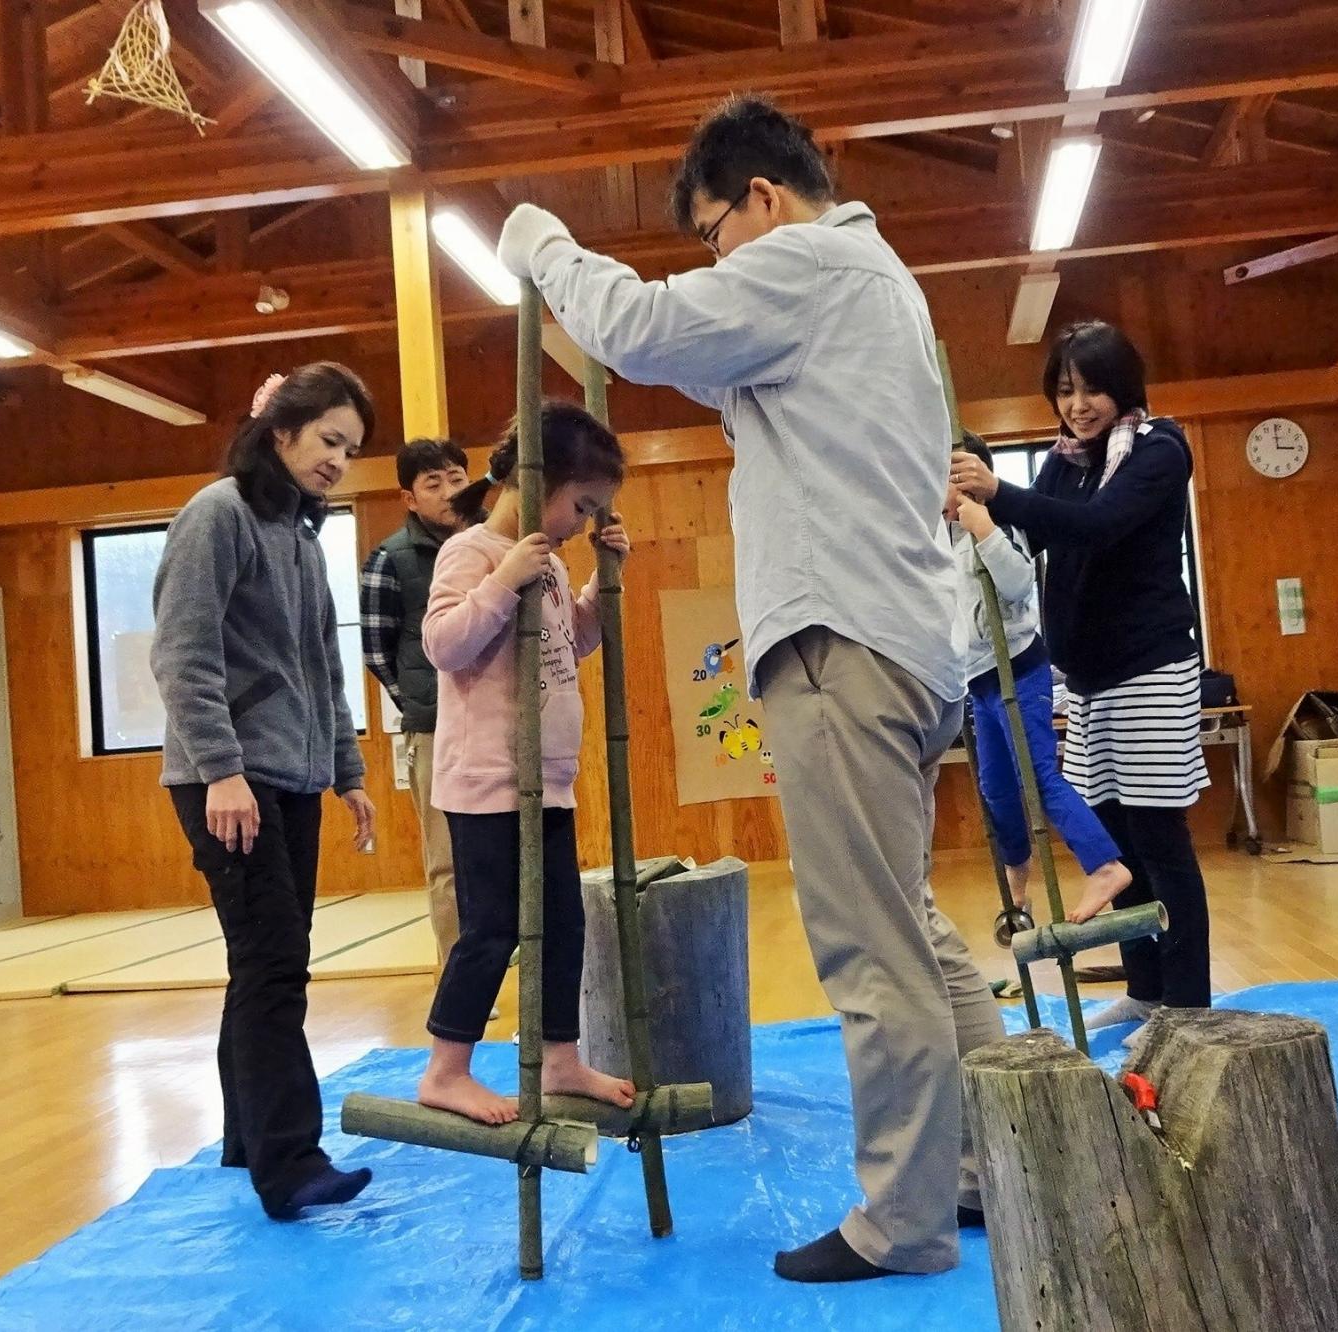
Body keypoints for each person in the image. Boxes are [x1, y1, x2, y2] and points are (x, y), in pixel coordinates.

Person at [496, 94, 1005, 1283]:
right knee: (914, 934)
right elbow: (708, 372)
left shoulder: (813, 261)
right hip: (898, 643)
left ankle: (906, 1222)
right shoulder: (879, 286)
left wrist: (538, 244)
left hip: (844, 645)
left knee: (872, 954)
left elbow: (640, 325)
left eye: (715, 233)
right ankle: (977, 1163)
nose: (717, 260)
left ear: (763, 201)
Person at [151, 363, 380, 1220]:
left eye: (350, 450)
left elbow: (323, 667)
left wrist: (348, 773)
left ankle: (248, 1138)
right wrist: (221, 770)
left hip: (287, 777)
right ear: (280, 432)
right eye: (328, 440)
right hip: (226, 782)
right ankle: (290, 1165)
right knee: (275, 963)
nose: (337, 461)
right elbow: (183, 656)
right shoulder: (219, 516)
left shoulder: (301, 537)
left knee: (266, 964)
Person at [949, 322, 1214, 1033]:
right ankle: (1146, 986)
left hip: (1150, 667)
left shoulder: (1159, 450)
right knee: (1119, 839)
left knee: (1160, 836)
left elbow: (1095, 525)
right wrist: (965, 514)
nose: (1078, 405)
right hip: (1087, 676)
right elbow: (1030, 538)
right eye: (1065, 391)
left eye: (1092, 388)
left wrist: (996, 490)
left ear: (1123, 386)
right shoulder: (1066, 461)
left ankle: (1188, 1003)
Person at [415, 401, 638, 1126]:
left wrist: (599, 587)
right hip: (487, 786)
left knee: (564, 922)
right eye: (583, 504)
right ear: (542, 482)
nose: (583, 520)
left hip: (548, 784)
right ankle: (446, 1070)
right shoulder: (474, 553)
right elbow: (445, 645)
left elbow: (569, 645)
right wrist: (504, 577)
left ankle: (561, 1055)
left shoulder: (544, 562)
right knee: (492, 928)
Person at [947, 433, 1131, 929]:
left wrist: (984, 529)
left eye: (945, 475)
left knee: (1039, 777)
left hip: (1019, 669)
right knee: (997, 788)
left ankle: (1106, 865)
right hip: (979, 681)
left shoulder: (1001, 522)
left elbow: (1017, 583)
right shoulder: (939, 537)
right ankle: (1017, 882)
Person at [361, 439, 471, 972]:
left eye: (456, 477)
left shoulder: (494, 543)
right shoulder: (390, 558)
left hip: (499, 722)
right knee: (446, 861)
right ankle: (457, 975)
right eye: (434, 483)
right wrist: (421, 700)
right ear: (409, 497)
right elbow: (377, 652)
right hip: (433, 727)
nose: (451, 491)